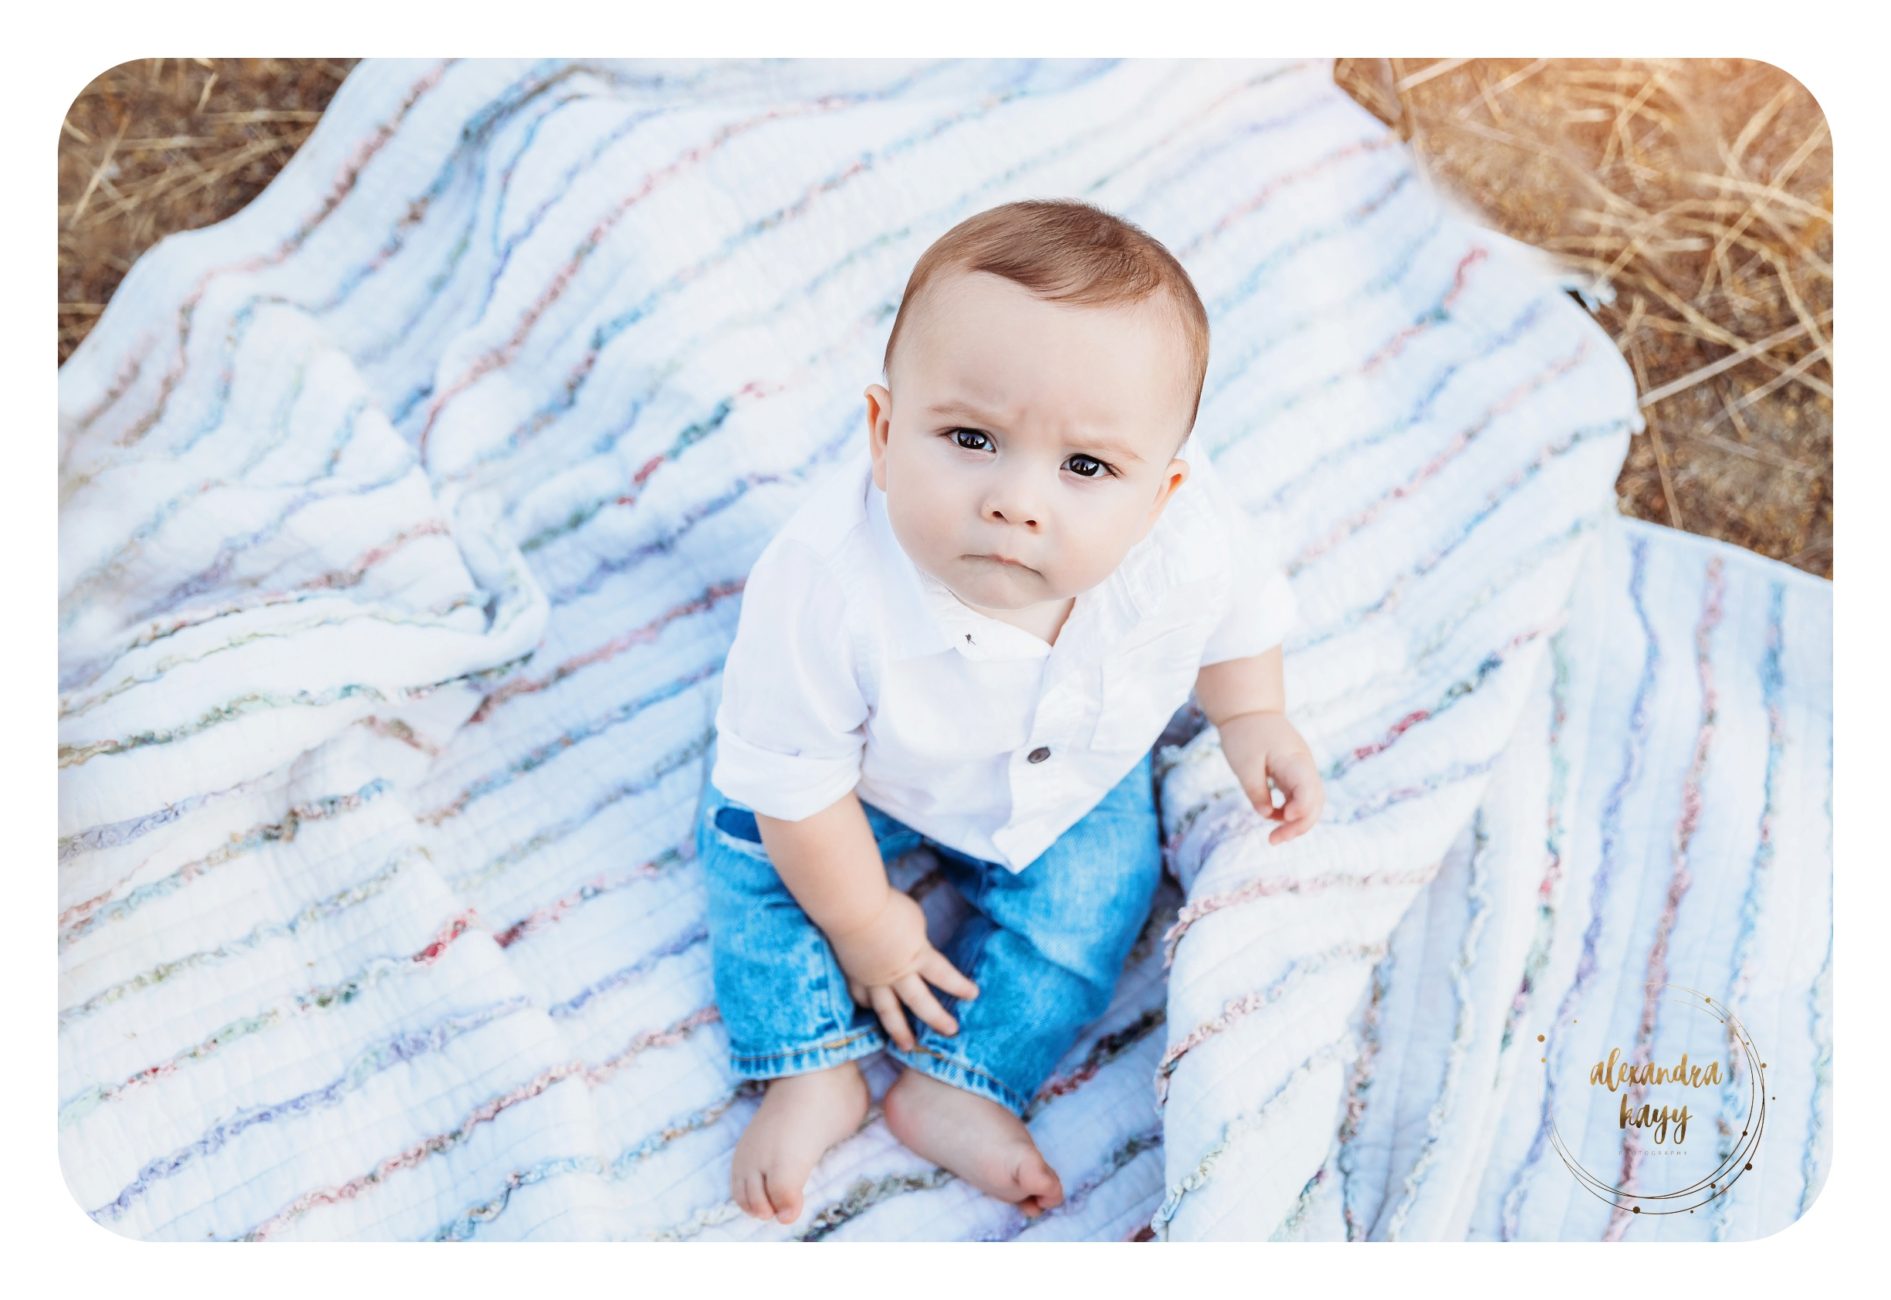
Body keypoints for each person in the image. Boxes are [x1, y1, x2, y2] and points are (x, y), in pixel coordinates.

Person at [696, 198, 1325, 1227]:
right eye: (971, 437)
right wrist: (867, 924)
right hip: (857, 782)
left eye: (1085, 467)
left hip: (1068, 771)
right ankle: (813, 1065)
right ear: (884, 431)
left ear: (1159, 494)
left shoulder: (1186, 539)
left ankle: (962, 1079)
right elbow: (796, 784)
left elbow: (1239, 607)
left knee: (1100, 899)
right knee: (750, 857)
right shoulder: (822, 585)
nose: (1018, 499)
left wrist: (1252, 712)